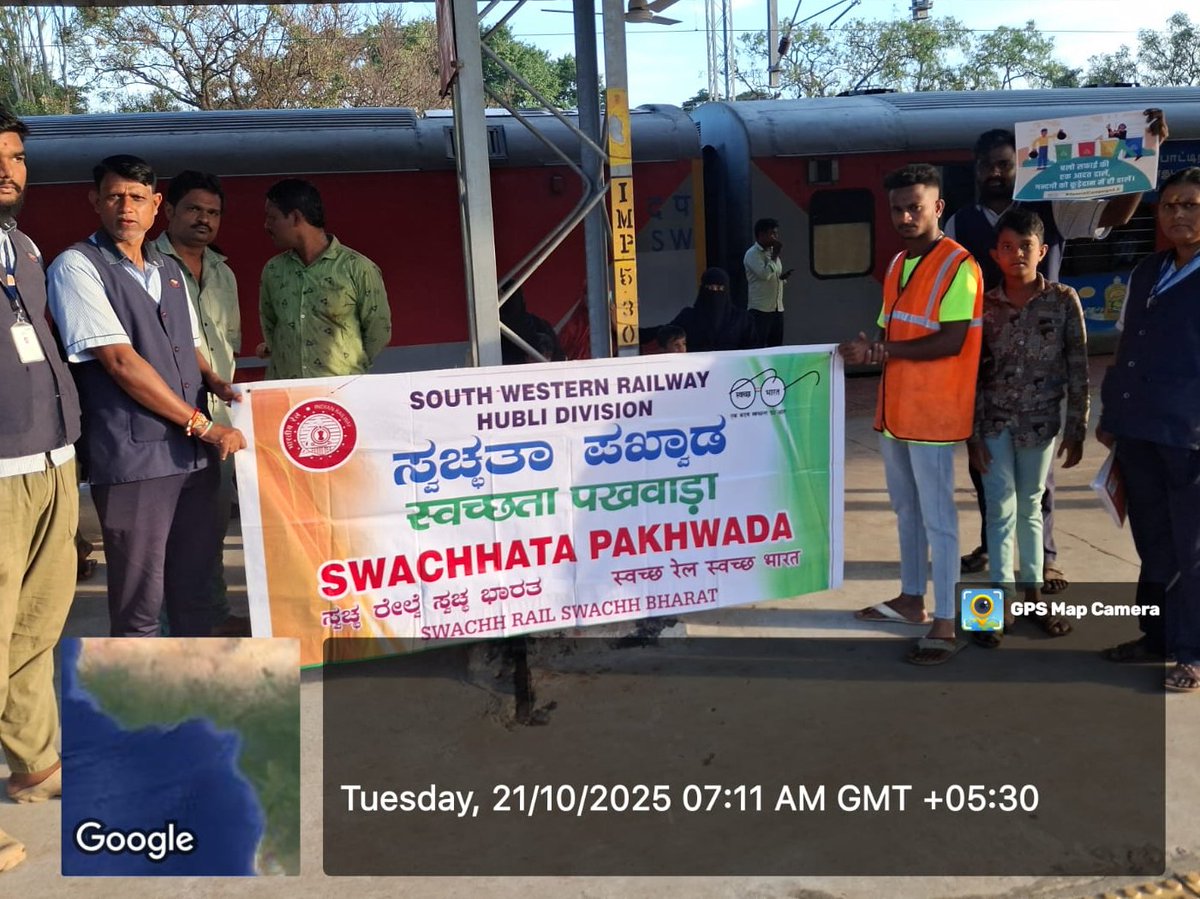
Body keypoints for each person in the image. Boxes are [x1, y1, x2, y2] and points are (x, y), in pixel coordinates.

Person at [946, 114, 1168, 592]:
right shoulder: (959, 223)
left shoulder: (1052, 208)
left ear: (1020, 166)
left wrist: (1142, 159)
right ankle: (993, 550)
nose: (994, 173)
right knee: (989, 478)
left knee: (1036, 488)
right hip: (986, 373)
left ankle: (1044, 561)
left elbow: (1115, 216)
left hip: (1040, 381)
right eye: (986, 165)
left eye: (1004, 164)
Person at [46, 154, 246, 638]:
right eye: (114, 196)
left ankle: (198, 682)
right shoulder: (77, 266)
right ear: (95, 201)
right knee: (141, 603)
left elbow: (191, 343)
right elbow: (118, 361)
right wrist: (202, 425)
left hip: (191, 457)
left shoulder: (167, 269)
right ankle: (141, 688)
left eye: (137, 197)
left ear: (156, 205)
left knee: (195, 590)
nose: (126, 208)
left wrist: (215, 381)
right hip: (135, 458)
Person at [841, 164, 982, 665]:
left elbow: (952, 340)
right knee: (907, 510)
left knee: (939, 518)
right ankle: (910, 598)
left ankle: (946, 619)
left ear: (937, 207)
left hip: (935, 415)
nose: (905, 217)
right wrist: (870, 346)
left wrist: (884, 353)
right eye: (897, 209)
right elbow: (889, 329)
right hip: (896, 411)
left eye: (915, 207)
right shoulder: (898, 263)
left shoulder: (959, 265)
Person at [0, 109, 81, 873]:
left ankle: (33, 762)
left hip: (51, 455)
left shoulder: (22, 246)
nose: (8, 170)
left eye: (17, 156)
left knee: (36, 626)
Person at [1097, 166, 1200, 693]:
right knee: (1153, 540)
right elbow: (1125, 345)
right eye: (1170, 205)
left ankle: (1192, 652)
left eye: (1190, 205)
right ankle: (1156, 636)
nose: (1178, 214)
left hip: (1189, 434)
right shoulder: (1147, 271)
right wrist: (1110, 414)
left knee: (1192, 546)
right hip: (1138, 428)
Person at [967, 208, 1088, 646]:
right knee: (999, 509)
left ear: (1042, 251)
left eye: (1025, 246)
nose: (1017, 254)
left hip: (1040, 423)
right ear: (994, 255)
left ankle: (1035, 598)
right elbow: (972, 374)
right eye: (1007, 247)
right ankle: (998, 606)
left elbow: (1078, 366)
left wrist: (1076, 426)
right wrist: (972, 434)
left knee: (1031, 507)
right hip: (994, 422)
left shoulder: (1063, 300)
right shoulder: (983, 306)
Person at [154, 170, 247, 637]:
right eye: (193, 209)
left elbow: (230, 342)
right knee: (168, 535)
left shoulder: (223, 272)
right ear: (168, 210)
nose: (204, 219)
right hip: (165, 420)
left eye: (213, 212)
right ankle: (170, 630)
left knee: (211, 528)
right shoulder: (145, 265)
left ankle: (212, 616)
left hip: (220, 420)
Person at [257, 179, 390, 379]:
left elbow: (378, 332)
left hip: (341, 390)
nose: (266, 225)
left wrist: (348, 368)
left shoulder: (357, 268)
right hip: (286, 390)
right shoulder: (273, 270)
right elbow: (270, 326)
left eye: (272, 217)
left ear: (295, 217)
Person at [743, 218, 791, 347]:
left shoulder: (771, 252)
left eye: (776, 233)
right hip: (760, 310)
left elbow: (773, 274)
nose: (776, 237)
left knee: (776, 347)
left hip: (777, 308)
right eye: (772, 234)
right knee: (759, 347)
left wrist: (782, 278)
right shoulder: (752, 254)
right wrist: (775, 256)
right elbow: (764, 275)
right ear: (761, 235)